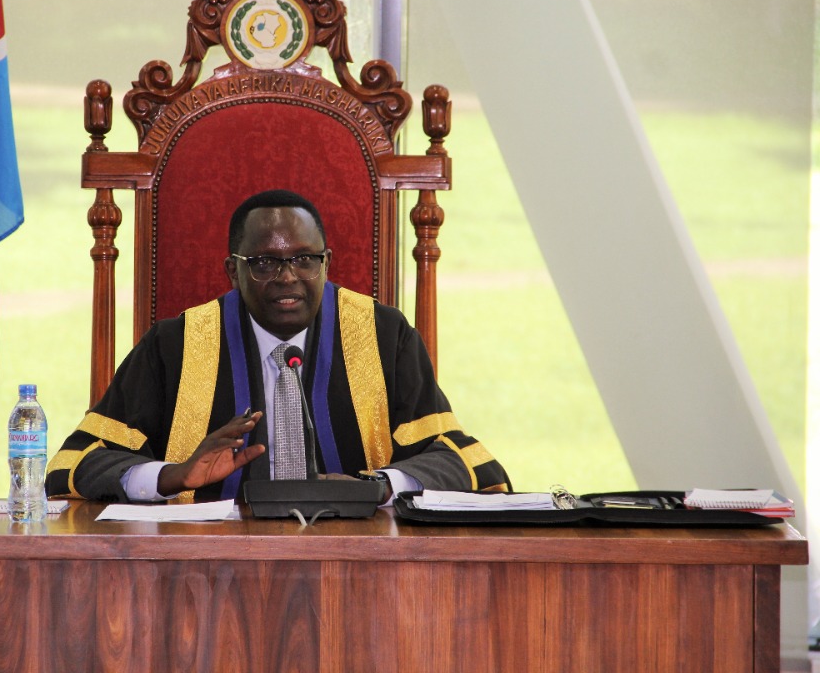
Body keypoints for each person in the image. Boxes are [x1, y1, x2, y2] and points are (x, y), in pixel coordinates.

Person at [45, 189, 510, 503]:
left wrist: (378, 486)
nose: (287, 277)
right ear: (233, 270)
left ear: (326, 263)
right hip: (208, 574)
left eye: (305, 259)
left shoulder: (384, 336)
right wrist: (173, 475)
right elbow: (76, 462)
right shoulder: (176, 345)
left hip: (358, 566)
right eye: (265, 261)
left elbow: (456, 457)